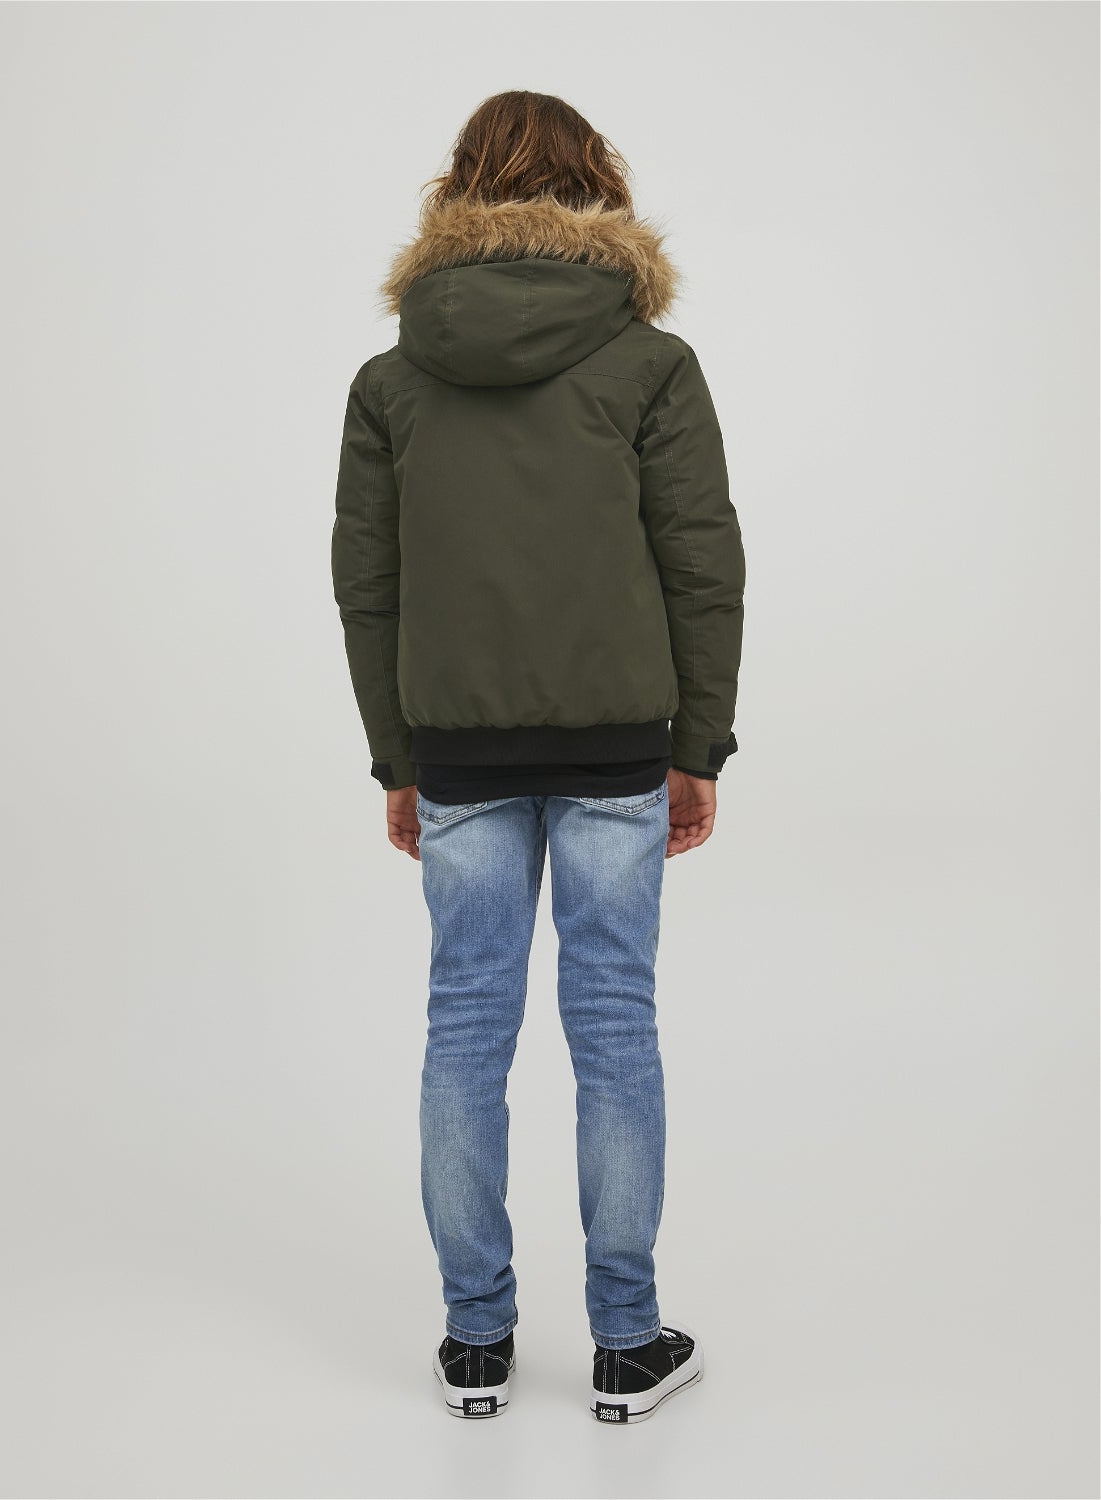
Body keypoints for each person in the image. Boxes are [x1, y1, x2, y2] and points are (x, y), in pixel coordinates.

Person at [331, 90, 745, 1424]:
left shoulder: (394, 379)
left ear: (459, 191)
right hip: (619, 747)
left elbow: (368, 587)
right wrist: (699, 745)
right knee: (613, 1026)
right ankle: (625, 1344)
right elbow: (702, 564)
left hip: (453, 749)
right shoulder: (648, 365)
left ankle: (475, 1344)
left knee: (465, 1027)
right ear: (597, 188)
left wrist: (396, 758)